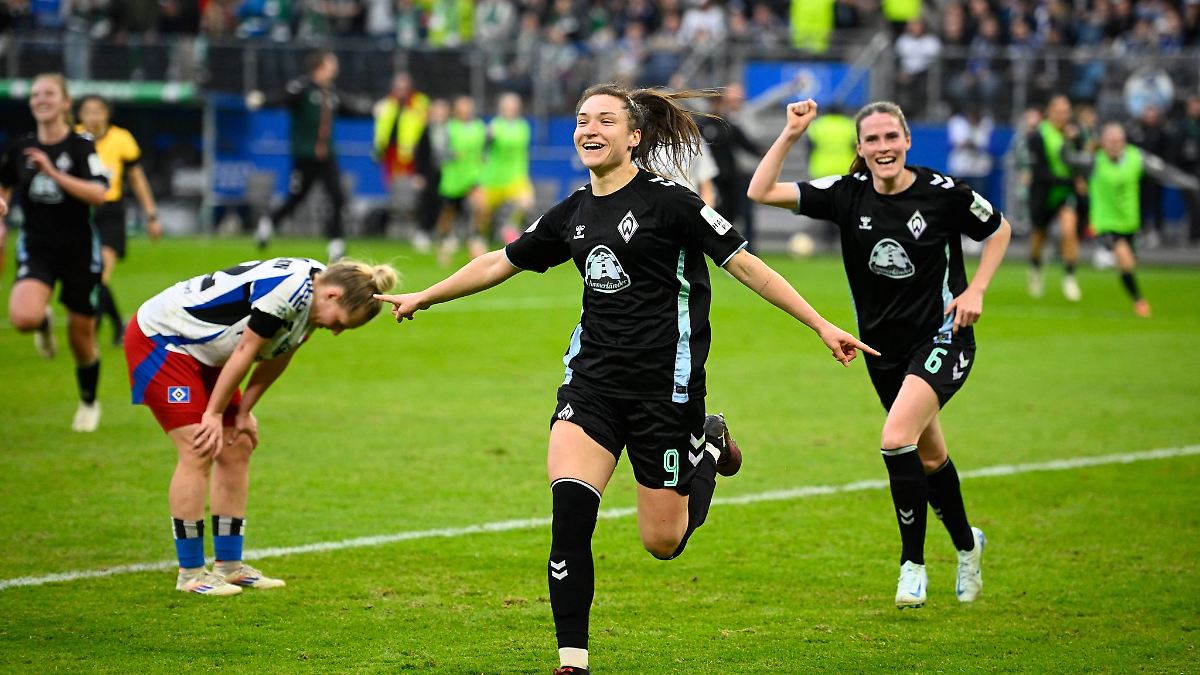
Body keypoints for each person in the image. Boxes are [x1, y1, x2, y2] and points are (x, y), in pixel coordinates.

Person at [375, 84, 874, 675]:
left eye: (605, 120)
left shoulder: (674, 203)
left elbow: (747, 265)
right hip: (591, 388)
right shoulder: (572, 211)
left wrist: (820, 324)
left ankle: (707, 443)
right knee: (569, 517)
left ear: (633, 137)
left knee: (663, 543)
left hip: (667, 392)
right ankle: (572, 661)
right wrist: (426, 296)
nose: (590, 129)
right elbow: (498, 261)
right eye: (582, 119)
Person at [748, 99, 1012, 610]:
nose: (883, 147)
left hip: (944, 334)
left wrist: (976, 288)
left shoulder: (943, 193)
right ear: (860, 149)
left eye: (892, 137)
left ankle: (912, 564)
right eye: (872, 140)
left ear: (907, 141)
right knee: (929, 454)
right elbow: (759, 191)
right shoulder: (847, 195)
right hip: (881, 350)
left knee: (895, 440)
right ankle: (966, 544)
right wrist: (791, 132)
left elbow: (999, 229)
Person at [124, 257, 398, 595]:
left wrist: (243, 412)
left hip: (208, 353)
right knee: (200, 445)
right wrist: (212, 414)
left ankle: (228, 566)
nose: (337, 331)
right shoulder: (289, 291)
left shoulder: (313, 300)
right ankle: (191, 573)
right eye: (340, 322)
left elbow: (279, 355)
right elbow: (246, 349)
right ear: (332, 296)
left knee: (238, 444)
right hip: (165, 339)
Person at [1, 73, 109, 432]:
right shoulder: (20, 147)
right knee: (23, 318)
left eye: (49, 93)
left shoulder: (82, 145)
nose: (40, 99)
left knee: (81, 338)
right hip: (37, 246)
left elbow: (99, 193)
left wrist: (53, 173)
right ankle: (43, 322)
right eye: (35, 94)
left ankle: (89, 402)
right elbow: (4, 189)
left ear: (65, 103)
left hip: (79, 251)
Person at [1065, 122, 1200, 316]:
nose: (1115, 144)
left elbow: (1165, 172)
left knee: (1128, 265)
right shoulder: (1094, 161)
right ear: (1103, 142)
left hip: (1129, 223)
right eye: (1111, 141)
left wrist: (1191, 183)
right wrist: (1071, 139)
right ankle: (1140, 301)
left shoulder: (1137, 157)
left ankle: (1107, 259)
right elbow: (1068, 159)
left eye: (1119, 140)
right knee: (1125, 258)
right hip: (1105, 223)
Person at [248, 50, 371, 262]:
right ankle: (268, 223)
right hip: (305, 156)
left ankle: (336, 244)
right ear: (320, 67)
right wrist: (261, 101)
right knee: (296, 198)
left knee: (337, 196)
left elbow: (350, 109)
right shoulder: (303, 89)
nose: (335, 67)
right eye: (331, 63)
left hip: (327, 157)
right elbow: (282, 98)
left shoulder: (331, 93)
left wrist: (372, 111)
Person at [76, 94, 162, 347]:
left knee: (100, 273)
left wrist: (151, 215)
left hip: (111, 211)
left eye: (98, 111)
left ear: (107, 114)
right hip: (80, 211)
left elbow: (137, 178)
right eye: (87, 111)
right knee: (89, 274)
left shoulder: (122, 139)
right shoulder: (73, 138)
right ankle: (118, 325)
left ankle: (93, 330)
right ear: (80, 115)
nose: (93, 116)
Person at [1027, 95, 1083, 301]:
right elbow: (1039, 172)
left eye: (1066, 112)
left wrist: (1075, 141)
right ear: (1049, 112)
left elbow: (1080, 162)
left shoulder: (1074, 135)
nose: (1063, 116)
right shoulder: (1037, 136)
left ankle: (1069, 278)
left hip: (1064, 195)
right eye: (1059, 112)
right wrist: (1069, 182)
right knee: (1039, 237)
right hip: (1043, 194)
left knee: (1069, 231)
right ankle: (1035, 270)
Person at [474, 92, 535, 247]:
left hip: (515, 177)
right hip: (493, 178)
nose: (510, 109)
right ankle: (480, 238)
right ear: (501, 108)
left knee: (526, 202)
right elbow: (483, 151)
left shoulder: (522, 127)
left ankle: (509, 226)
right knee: (483, 214)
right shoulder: (494, 126)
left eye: (513, 106)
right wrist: (488, 140)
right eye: (507, 106)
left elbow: (514, 141)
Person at [433, 95, 486, 264]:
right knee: (448, 213)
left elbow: (485, 148)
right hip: (453, 179)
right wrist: (451, 155)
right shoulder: (449, 128)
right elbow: (438, 153)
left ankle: (476, 239)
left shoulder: (479, 127)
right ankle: (443, 241)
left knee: (480, 207)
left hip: (473, 176)